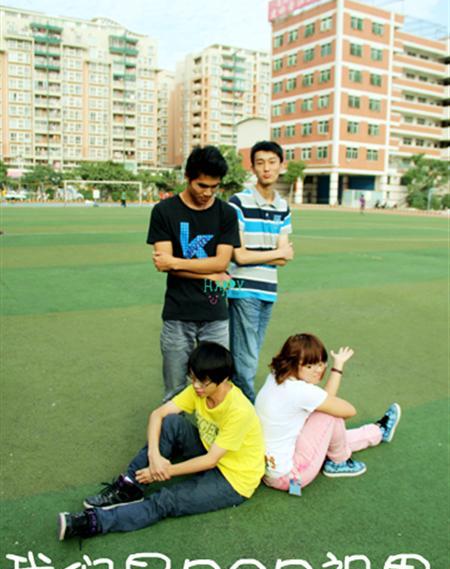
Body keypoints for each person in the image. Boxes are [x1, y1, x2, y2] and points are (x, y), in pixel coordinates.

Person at [58, 343, 265, 540]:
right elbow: (157, 415)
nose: (196, 386)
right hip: (209, 451)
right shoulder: (198, 390)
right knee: (172, 423)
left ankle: (93, 523)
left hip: (233, 479)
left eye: (203, 382)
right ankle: (129, 487)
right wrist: (154, 456)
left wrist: (162, 471)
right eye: (193, 378)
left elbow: (210, 461)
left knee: (166, 500)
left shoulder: (239, 410)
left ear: (223, 379)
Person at [147, 146, 240, 401]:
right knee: (175, 389)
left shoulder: (226, 213)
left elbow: (222, 262)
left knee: (217, 387)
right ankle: (174, 427)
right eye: (202, 185)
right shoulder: (164, 211)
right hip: (178, 314)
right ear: (187, 177)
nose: (208, 193)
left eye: (214, 187)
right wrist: (208, 275)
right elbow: (162, 264)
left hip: (215, 314)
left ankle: (211, 428)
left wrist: (176, 263)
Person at [255, 333, 401, 491]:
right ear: (293, 363)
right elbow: (349, 411)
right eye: (309, 366)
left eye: (320, 363)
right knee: (331, 415)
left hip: (268, 472)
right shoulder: (301, 391)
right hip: (292, 481)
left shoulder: (276, 375)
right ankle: (339, 462)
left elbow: (325, 401)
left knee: (326, 419)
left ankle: (378, 432)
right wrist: (337, 368)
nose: (318, 370)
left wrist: (337, 365)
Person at [227, 141, 293, 403]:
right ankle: (249, 412)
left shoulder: (283, 207)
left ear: (281, 165)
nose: (266, 168)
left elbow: (284, 259)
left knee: (250, 352)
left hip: (268, 291)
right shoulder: (238, 202)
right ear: (253, 167)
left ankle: (236, 409)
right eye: (260, 163)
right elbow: (239, 255)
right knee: (246, 357)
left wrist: (275, 255)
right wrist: (276, 253)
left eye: (272, 162)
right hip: (243, 288)